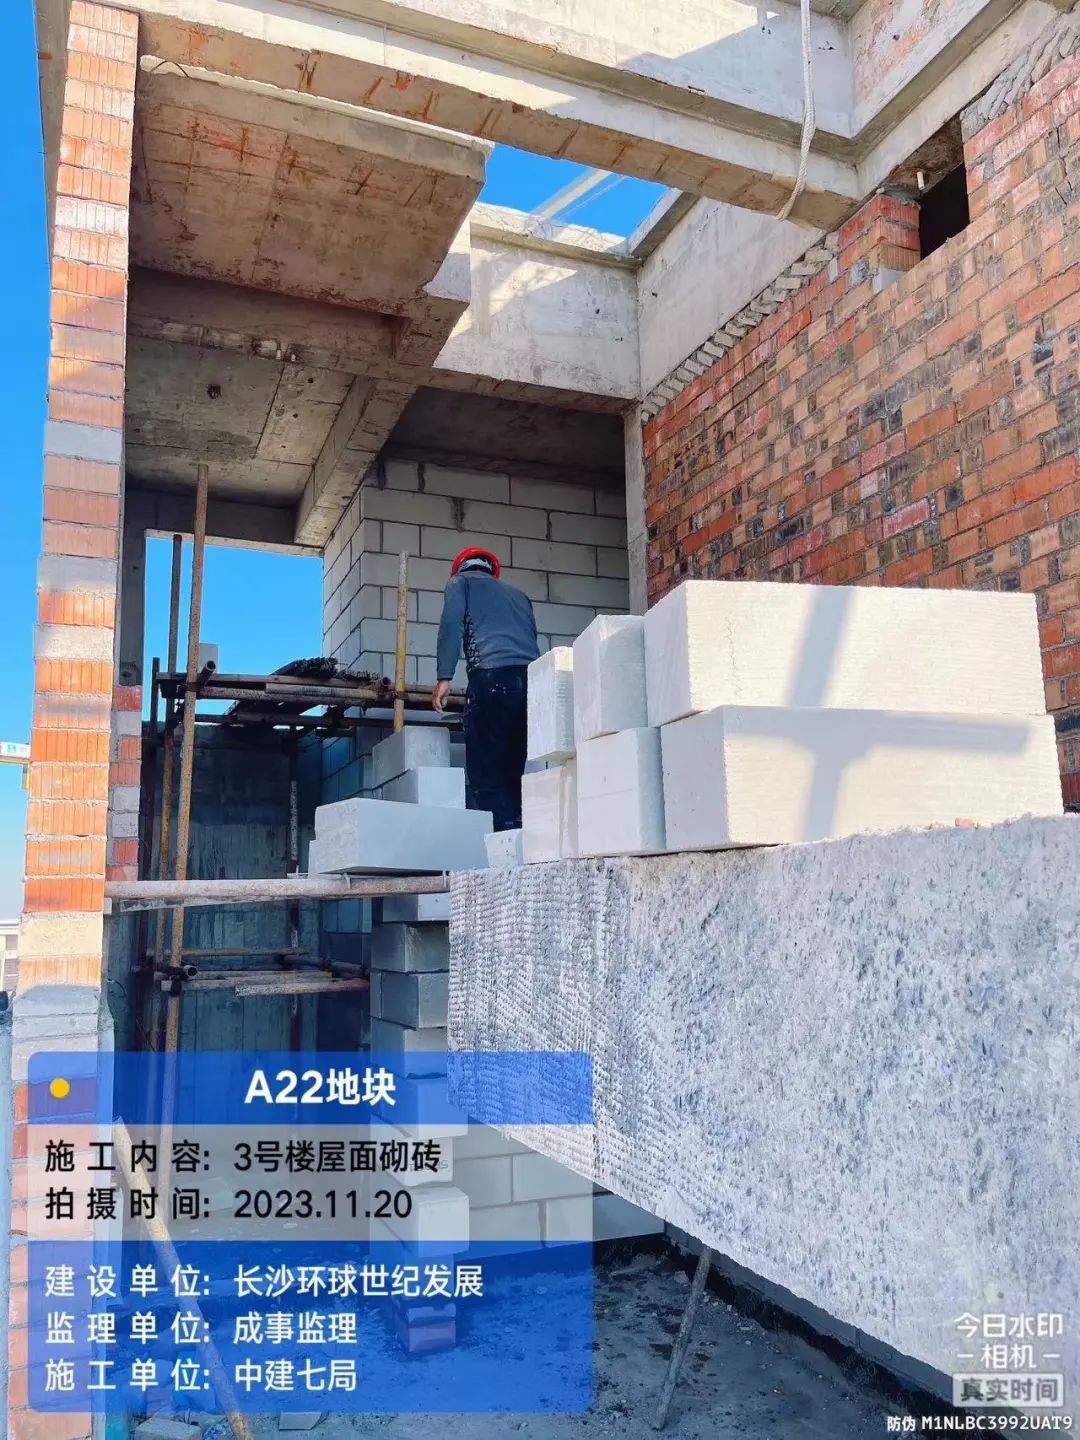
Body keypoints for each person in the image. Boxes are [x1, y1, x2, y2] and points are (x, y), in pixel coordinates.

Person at [432, 547, 539, 831]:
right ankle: (519, 835)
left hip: (492, 678)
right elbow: (531, 637)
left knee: (486, 770)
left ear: (461, 568)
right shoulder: (520, 596)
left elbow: (451, 626)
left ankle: (501, 840)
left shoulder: (459, 583)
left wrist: (444, 676)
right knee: (513, 766)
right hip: (532, 682)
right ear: (492, 571)